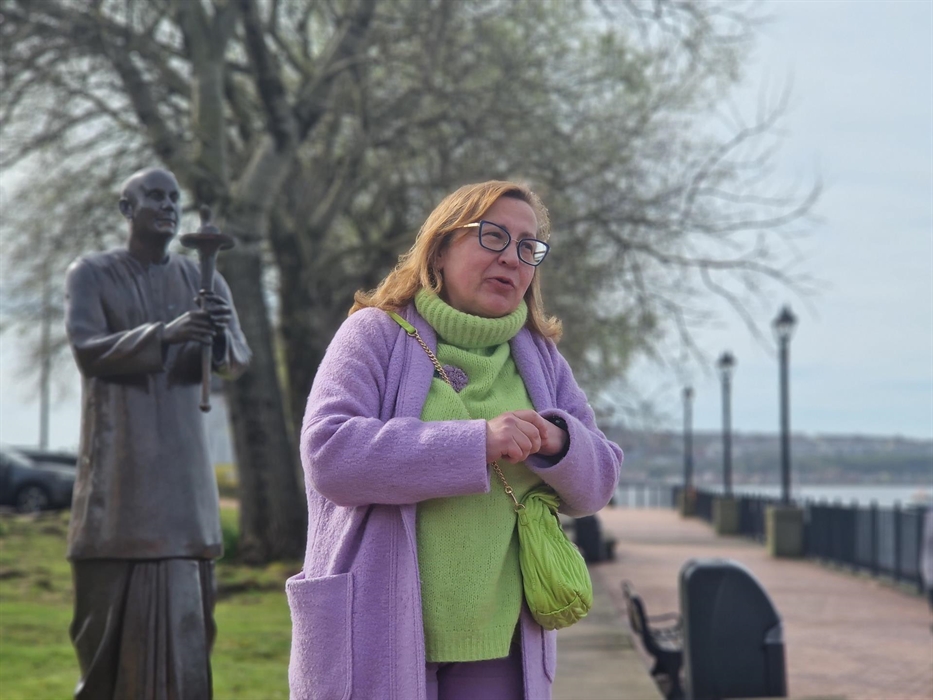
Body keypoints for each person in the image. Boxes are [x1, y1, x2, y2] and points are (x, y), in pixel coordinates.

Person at [286, 181, 623, 700]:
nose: (512, 258)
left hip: (502, 648)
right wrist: (477, 443)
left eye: (527, 247)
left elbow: (599, 482)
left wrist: (558, 442)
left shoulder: (541, 359)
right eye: (492, 237)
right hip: (376, 635)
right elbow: (330, 454)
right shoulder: (374, 334)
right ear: (440, 249)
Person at [64, 167, 251, 700]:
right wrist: (166, 335)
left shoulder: (205, 279)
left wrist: (215, 341)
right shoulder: (91, 275)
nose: (167, 206)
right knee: (104, 642)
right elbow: (87, 351)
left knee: (190, 640)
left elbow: (237, 359)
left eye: (174, 198)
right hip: (118, 484)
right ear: (127, 209)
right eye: (153, 197)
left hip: (184, 491)